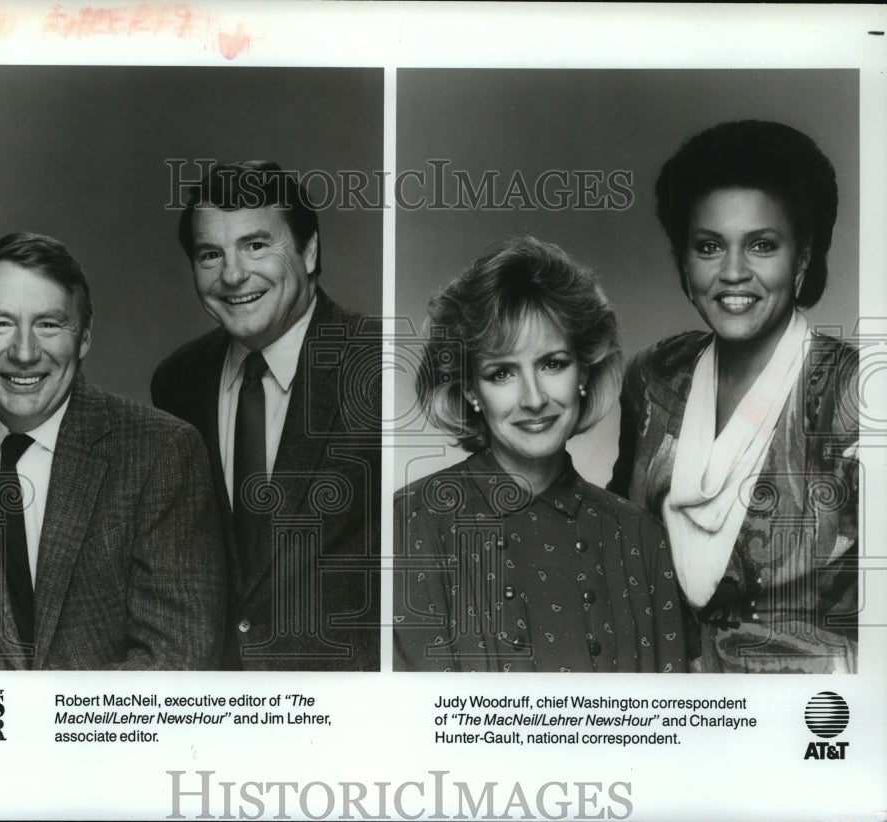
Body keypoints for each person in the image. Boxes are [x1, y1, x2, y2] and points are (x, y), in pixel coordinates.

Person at [610, 120, 859, 673]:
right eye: (708, 246)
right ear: (682, 259)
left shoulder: (854, 395)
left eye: (762, 245)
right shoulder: (655, 376)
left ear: (802, 258)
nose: (733, 273)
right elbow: (619, 533)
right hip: (664, 704)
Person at [0, 232, 225, 670]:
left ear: (82, 338)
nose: (24, 352)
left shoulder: (162, 453)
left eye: (48, 324)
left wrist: (43, 731)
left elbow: (176, 660)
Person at [394, 237, 686, 673]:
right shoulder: (411, 524)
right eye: (502, 373)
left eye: (552, 364)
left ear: (584, 370)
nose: (533, 399)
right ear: (471, 388)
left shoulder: (642, 539)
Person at [152, 161, 380, 671]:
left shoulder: (382, 367)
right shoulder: (177, 381)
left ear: (310, 250)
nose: (232, 275)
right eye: (211, 254)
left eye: (256, 245)